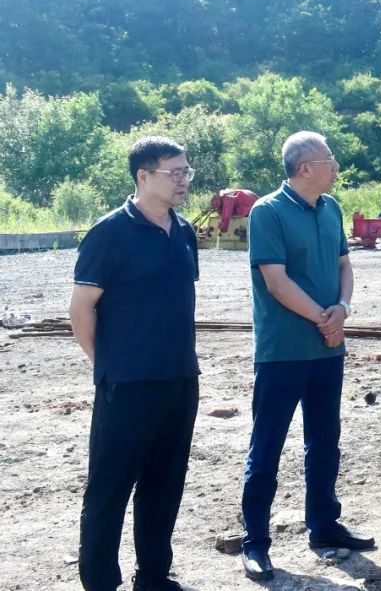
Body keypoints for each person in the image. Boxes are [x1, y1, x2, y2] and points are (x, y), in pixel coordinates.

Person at [240, 131, 372, 581]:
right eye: (328, 159)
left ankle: (324, 526)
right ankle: (255, 543)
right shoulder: (268, 212)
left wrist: (343, 309)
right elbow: (276, 282)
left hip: (327, 348)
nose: (335, 166)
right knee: (267, 446)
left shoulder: (331, 208)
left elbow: (344, 266)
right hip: (283, 352)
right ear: (303, 168)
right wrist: (324, 318)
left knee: (325, 440)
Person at [70, 136, 200, 591]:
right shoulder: (109, 233)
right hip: (127, 385)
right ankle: (101, 582)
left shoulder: (183, 231)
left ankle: (154, 577)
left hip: (180, 379)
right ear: (143, 176)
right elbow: (81, 310)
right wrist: (109, 364)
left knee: (165, 484)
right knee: (109, 489)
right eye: (174, 173)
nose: (184, 181)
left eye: (186, 172)